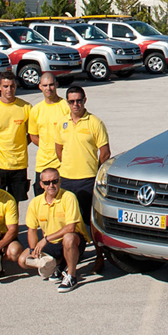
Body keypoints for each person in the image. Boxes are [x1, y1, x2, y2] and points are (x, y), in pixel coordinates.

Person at [55, 84, 109, 271]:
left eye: (79, 100)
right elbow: (59, 150)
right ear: (67, 102)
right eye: (72, 101)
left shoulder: (95, 122)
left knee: (90, 222)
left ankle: (100, 257)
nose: (75, 104)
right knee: (68, 221)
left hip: (87, 180)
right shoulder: (62, 123)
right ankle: (70, 256)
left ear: (85, 100)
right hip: (66, 179)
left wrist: (93, 171)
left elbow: (105, 152)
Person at [17, 169, 85, 293]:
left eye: (54, 181)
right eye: (47, 182)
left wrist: (45, 240)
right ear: (41, 184)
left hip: (73, 240)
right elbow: (31, 230)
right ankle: (58, 265)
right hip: (51, 243)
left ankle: (71, 276)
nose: (51, 185)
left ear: (60, 182)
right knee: (23, 260)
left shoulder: (69, 197)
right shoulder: (35, 202)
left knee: (68, 238)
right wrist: (33, 250)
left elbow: (71, 227)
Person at [0, 72, 32, 203]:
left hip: (19, 164)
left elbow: (31, 134)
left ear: (16, 86)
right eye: (5, 86)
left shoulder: (26, 108)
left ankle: (13, 225)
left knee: (13, 203)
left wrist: (20, 145)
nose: (9, 90)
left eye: (12, 86)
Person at [27, 72, 69, 194]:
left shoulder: (66, 107)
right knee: (42, 202)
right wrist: (47, 146)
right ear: (40, 86)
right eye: (45, 85)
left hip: (63, 164)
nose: (48, 88)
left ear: (56, 85)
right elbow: (33, 135)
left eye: (51, 85)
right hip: (43, 164)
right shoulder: (36, 110)